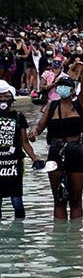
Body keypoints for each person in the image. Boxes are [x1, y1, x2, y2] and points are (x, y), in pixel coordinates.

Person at [32, 41, 83, 220]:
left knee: (76, 199)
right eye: (60, 85)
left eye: (66, 85)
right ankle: (59, 239)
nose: (63, 88)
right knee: (58, 199)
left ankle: (75, 238)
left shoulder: (79, 104)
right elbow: (39, 127)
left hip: (76, 150)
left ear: (73, 90)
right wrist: (33, 133)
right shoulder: (52, 106)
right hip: (55, 151)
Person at [0, 81, 42, 220]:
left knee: (17, 200)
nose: (3, 99)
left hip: (14, 164)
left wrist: (35, 158)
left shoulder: (18, 117)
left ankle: (19, 234)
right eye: (0, 96)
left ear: (12, 98)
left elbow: (24, 141)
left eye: (6, 96)